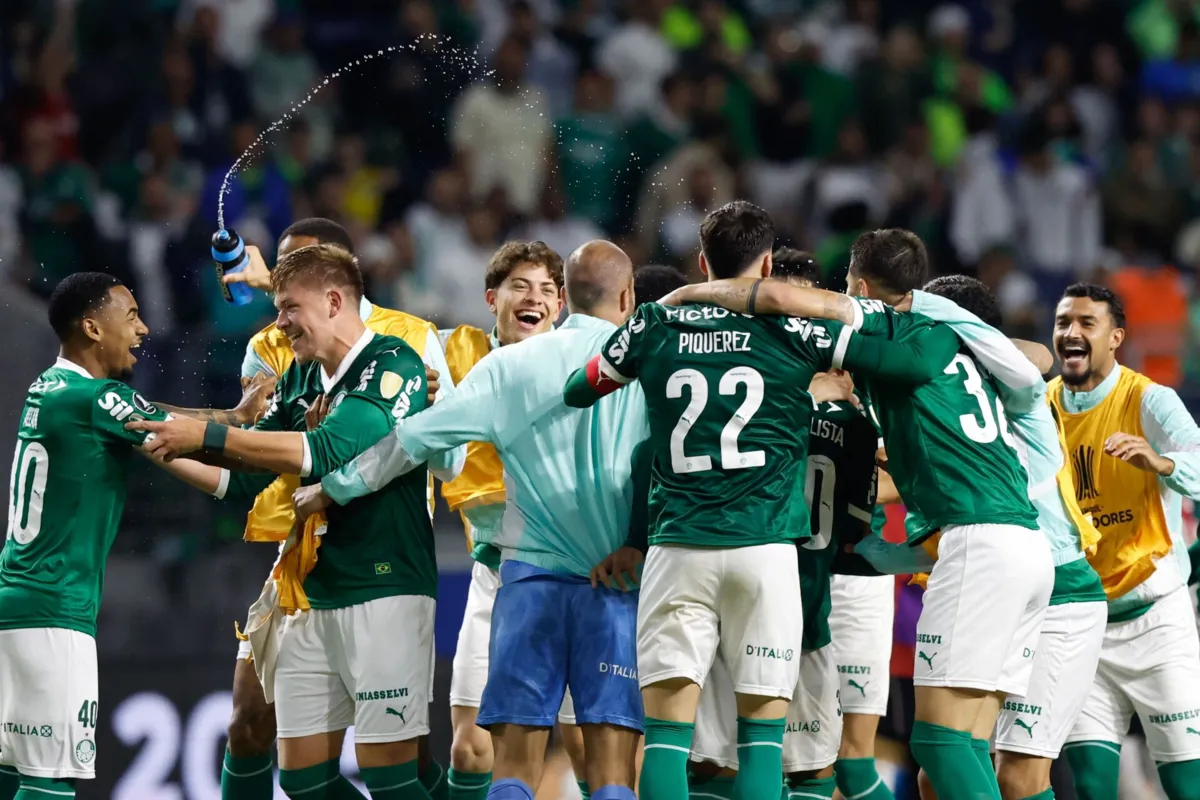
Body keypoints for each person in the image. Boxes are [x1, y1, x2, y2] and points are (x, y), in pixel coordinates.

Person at [570, 206, 969, 800]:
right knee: (762, 743)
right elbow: (908, 358)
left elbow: (583, 388)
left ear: (703, 262)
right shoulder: (794, 330)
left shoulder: (654, 322)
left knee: (668, 739)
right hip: (766, 552)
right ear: (765, 264)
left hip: (678, 547)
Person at [658, 228, 1054, 800]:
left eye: (845, 285)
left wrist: (688, 296)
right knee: (967, 744)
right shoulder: (957, 336)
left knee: (940, 744)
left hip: (978, 541)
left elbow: (786, 303)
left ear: (862, 288)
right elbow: (1035, 357)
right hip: (1023, 542)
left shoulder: (889, 332)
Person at [293, 240, 649, 800]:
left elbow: (413, 440)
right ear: (628, 296)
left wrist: (334, 488)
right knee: (610, 775)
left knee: (510, 772)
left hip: (529, 583)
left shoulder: (509, 366)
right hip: (616, 584)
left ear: (565, 300)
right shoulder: (650, 364)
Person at [129, 245, 464, 800]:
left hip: (385, 588)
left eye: (288, 308)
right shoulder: (300, 377)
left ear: (334, 301)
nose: (278, 323)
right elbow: (243, 475)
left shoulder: (394, 363)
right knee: (305, 779)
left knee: (390, 776)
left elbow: (327, 449)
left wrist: (206, 435)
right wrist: (146, 429)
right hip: (312, 592)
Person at [899, 276, 1108, 800]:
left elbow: (1037, 356)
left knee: (1016, 776)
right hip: (1008, 588)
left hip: (1061, 594)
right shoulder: (947, 400)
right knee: (936, 777)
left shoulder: (1018, 390)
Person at [685, 248, 877, 800]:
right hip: (808, 612)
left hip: (735, 603)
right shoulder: (856, 423)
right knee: (813, 770)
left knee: (716, 765)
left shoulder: (734, 401)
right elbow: (854, 529)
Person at [0, 273, 174, 800]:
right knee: (50, 780)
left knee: (16, 773)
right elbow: (172, 430)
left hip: (21, 602)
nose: (143, 329)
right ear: (93, 327)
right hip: (54, 611)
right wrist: (240, 420)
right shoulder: (96, 398)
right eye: (131, 315)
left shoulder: (50, 386)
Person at [1046, 284, 1200, 800]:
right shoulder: (1039, 408)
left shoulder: (1150, 399)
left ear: (1116, 338)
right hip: (1083, 623)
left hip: (1158, 622)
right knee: (1091, 785)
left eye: (1087, 323)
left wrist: (1161, 463)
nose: (1071, 332)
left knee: (1186, 782)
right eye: (1064, 321)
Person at [435, 240, 568, 800]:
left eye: (545, 290)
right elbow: (360, 326)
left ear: (560, 307)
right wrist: (280, 286)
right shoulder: (452, 350)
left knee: (591, 749)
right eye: (520, 286)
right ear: (492, 298)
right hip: (493, 576)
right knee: (470, 750)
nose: (532, 298)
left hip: (571, 578)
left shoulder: (582, 365)